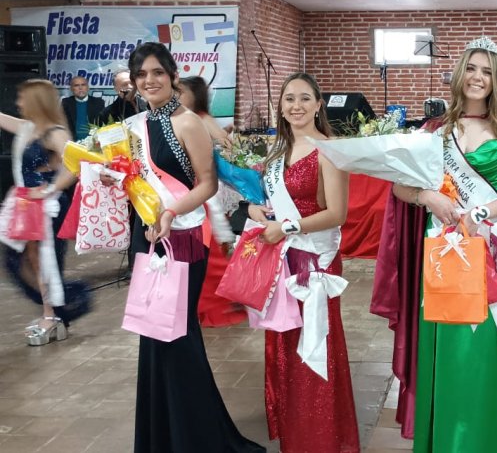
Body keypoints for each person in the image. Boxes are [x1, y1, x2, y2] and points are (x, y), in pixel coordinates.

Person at [372, 36, 497, 452]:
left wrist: (482, 213)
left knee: (490, 350)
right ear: (460, 75)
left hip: (491, 250)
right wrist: (429, 197)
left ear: (496, 81)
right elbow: (401, 188)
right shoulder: (432, 131)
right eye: (471, 69)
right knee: (452, 352)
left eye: (487, 71)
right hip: (443, 254)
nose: (478, 77)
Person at [122, 42, 263, 452]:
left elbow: (207, 183)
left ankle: (196, 438)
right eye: (141, 75)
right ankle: (161, 437)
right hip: (145, 236)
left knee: (177, 340)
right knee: (154, 339)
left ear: (171, 77)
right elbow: (135, 178)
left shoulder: (188, 123)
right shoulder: (133, 126)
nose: (149, 81)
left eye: (157, 73)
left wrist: (170, 213)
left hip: (180, 237)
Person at [245, 72, 359, 452]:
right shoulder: (277, 152)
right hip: (284, 257)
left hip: (317, 260)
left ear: (318, 104)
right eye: (289, 98)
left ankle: (322, 438)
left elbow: (337, 213)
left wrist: (287, 227)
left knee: (316, 342)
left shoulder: (329, 150)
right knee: (285, 340)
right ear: (280, 105)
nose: (296, 105)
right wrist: (256, 210)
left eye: (305, 98)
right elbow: (272, 203)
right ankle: (295, 432)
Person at [0, 79, 87, 345]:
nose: (19, 103)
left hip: (45, 207)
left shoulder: (54, 133)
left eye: (23, 98)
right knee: (21, 261)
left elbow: (77, 164)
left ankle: (52, 314)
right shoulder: (29, 129)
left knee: (42, 262)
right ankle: (57, 307)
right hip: (26, 204)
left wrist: (49, 190)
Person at [177, 75, 244, 328]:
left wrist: (217, 144)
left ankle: (215, 301)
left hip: (203, 189)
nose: (177, 96)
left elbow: (227, 146)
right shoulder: (182, 118)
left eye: (182, 92)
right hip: (187, 191)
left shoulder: (201, 118)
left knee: (210, 249)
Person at [179, 75, 233, 148]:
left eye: (180, 92)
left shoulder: (202, 118)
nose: (175, 96)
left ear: (195, 94)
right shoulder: (186, 117)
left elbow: (226, 144)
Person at [61, 76, 105, 140]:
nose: (80, 88)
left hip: (94, 143)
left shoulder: (98, 103)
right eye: (76, 85)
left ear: (88, 87)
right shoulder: (66, 103)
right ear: (71, 89)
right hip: (73, 143)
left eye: (83, 85)